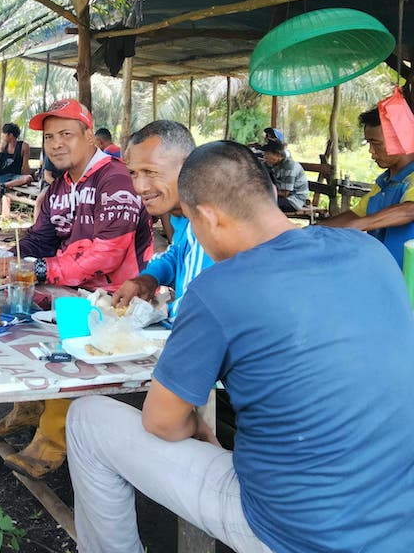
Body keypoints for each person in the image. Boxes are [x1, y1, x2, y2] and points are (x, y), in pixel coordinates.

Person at [66, 140, 414, 553]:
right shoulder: (370, 252)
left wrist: (196, 427)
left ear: (209, 217)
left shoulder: (219, 287)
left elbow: (161, 422)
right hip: (399, 523)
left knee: (87, 419)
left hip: (295, 532)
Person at [0, 99, 152, 478]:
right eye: (50, 136)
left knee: (71, 339)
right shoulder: (60, 187)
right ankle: (30, 408)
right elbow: (39, 238)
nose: (56, 144)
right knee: (13, 311)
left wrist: (38, 267)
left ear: (90, 137)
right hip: (74, 292)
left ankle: (52, 441)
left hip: (118, 299)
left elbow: (106, 255)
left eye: (66, 135)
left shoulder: (116, 178)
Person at [113, 120, 213, 323]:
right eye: (133, 173)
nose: (140, 187)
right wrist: (148, 278)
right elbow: (178, 252)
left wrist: (158, 312)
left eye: (151, 172)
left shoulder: (208, 223)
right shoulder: (180, 215)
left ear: (188, 166)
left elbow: (191, 316)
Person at [322, 106, 414, 268]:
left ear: (401, 139)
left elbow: (409, 210)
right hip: (385, 273)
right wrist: (313, 231)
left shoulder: (410, 179)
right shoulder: (383, 183)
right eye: (369, 143)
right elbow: (355, 215)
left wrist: (360, 224)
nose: (371, 151)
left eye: (376, 143)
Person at [0, 123, 32, 216]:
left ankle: (4, 186)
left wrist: (27, 180)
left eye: (4, 134)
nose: (3, 136)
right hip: (2, 177)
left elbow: (25, 166)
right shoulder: (3, 146)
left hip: (15, 177)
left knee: (28, 178)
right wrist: (1, 151)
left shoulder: (24, 146)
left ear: (10, 135)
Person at [259, 139, 308, 213]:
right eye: (265, 153)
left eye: (268, 154)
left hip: (294, 200)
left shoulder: (289, 167)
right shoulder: (272, 164)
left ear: (278, 155)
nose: (265, 156)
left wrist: (263, 193)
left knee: (262, 204)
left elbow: (284, 193)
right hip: (281, 197)